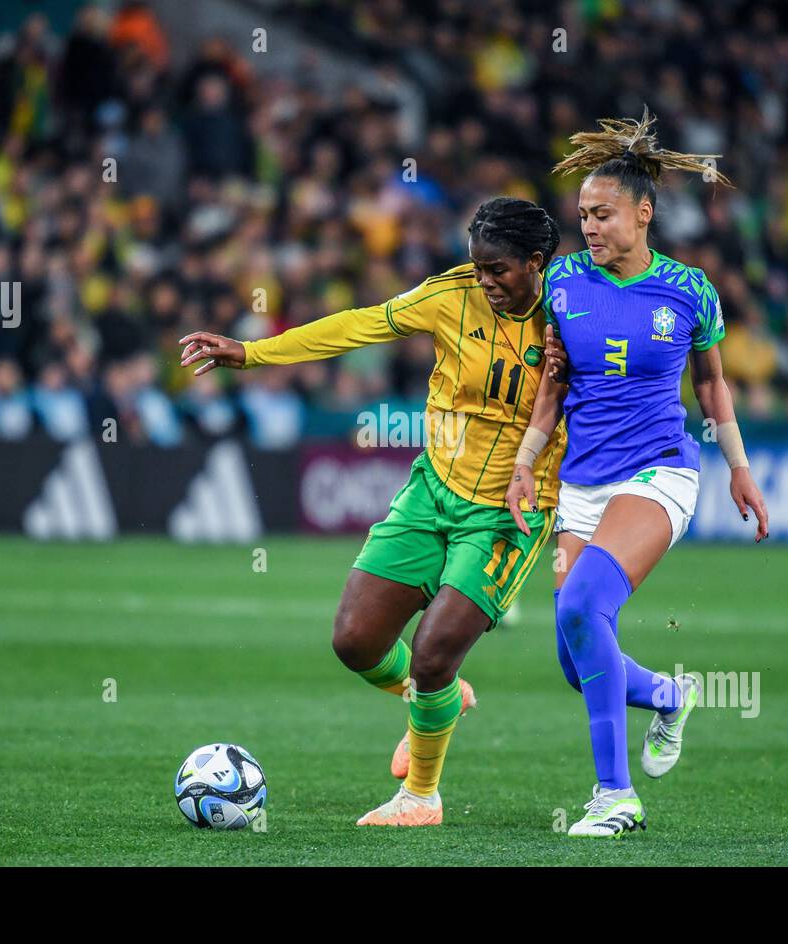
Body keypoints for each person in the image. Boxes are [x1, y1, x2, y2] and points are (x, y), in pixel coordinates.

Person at [180, 198, 566, 826]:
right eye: (477, 267)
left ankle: (421, 796)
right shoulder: (453, 294)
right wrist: (253, 354)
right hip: (431, 490)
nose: (485, 282)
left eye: (497, 270)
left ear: (536, 263)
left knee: (435, 648)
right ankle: (433, 698)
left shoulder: (571, 314)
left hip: (507, 512)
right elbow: (361, 324)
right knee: (355, 641)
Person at [506, 110, 769, 837]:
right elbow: (554, 383)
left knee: (584, 610)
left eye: (604, 213)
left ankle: (614, 796)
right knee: (574, 655)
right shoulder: (561, 282)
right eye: (583, 214)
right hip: (583, 482)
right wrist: (527, 466)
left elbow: (713, 386)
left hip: (660, 474)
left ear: (643, 212)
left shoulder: (689, 290)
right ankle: (669, 694)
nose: (589, 226)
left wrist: (738, 468)